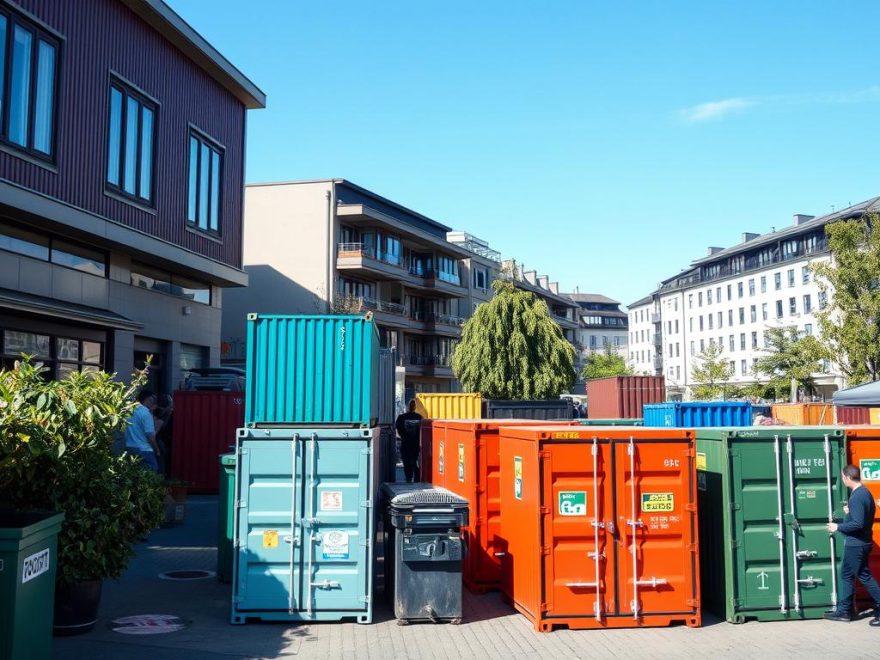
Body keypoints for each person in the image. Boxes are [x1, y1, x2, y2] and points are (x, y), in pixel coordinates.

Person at [824, 464, 880, 622]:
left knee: (864, 576)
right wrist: (849, 514)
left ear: (848, 478)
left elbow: (858, 524)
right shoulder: (864, 493)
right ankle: (844, 610)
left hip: (857, 544)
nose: (842, 480)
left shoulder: (857, 496)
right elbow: (860, 519)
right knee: (847, 575)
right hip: (859, 543)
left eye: (842, 477)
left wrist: (838, 526)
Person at [125, 388, 161, 473]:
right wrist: (157, 450)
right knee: (152, 473)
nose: (154, 403)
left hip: (130, 447)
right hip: (144, 450)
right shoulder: (146, 413)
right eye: (153, 399)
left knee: (134, 474)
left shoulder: (130, 411)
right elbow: (150, 436)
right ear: (149, 399)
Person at [395, 399, 423, 483]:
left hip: (406, 445)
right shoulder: (419, 417)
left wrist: (403, 435)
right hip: (416, 445)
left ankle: (408, 479)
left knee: (407, 464)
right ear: (415, 407)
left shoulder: (401, 417)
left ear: (407, 407)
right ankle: (417, 480)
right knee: (416, 464)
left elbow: (398, 431)